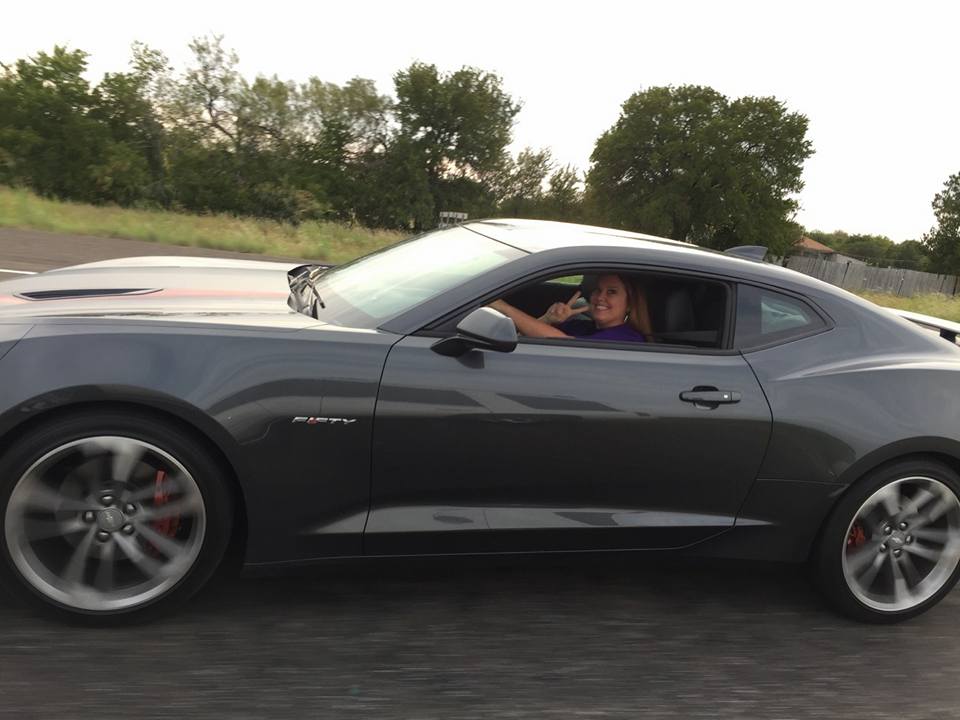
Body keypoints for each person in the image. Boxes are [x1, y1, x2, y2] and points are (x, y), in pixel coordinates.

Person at [488, 274, 652, 342]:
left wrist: (503, 307)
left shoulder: (627, 338)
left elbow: (563, 343)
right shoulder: (580, 325)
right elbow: (521, 338)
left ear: (630, 303)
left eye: (612, 292)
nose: (601, 297)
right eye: (598, 290)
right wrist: (548, 320)